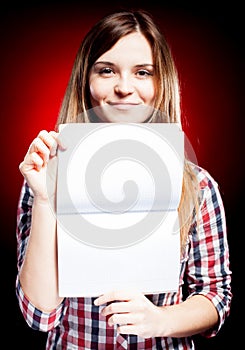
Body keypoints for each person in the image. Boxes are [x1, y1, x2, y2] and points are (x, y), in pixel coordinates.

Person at [16, 9, 232, 350]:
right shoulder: (43, 178)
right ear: (86, 80)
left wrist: (160, 320)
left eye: (142, 72)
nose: (123, 88)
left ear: (161, 84)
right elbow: (40, 315)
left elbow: (215, 296)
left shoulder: (199, 186)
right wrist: (45, 200)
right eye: (106, 70)